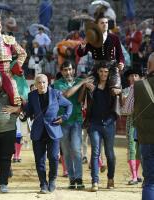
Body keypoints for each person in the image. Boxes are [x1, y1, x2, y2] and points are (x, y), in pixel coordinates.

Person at [23, 74, 72, 193]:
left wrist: (64, 118)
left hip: (53, 130)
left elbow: (69, 105)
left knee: (54, 158)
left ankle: (52, 181)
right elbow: (29, 111)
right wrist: (23, 112)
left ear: (48, 82)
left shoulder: (56, 93)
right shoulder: (32, 95)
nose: (41, 85)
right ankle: (43, 184)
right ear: (35, 84)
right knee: (39, 160)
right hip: (38, 132)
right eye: (39, 83)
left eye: (44, 82)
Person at [79, 61, 121, 192]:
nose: (103, 74)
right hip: (94, 123)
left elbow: (122, 101)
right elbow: (80, 100)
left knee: (110, 154)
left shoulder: (113, 86)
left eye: (106, 72)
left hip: (109, 123)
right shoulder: (92, 85)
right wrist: (84, 87)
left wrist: (118, 92)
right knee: (95, 152)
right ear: (97, 72)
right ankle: (95, 181)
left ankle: (110, 178)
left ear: (109, 73)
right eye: (101, 71)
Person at [53, 61, 93, 189]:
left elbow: (81, 98)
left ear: (74, 70)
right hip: (62, 120)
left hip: (76, 119)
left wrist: (87, 83)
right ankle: (71, 178)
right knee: (66, 151)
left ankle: (79, 178)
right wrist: (81, 83)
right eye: (65, 70)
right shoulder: (57, 84)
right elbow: (66, 95)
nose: (68, 72)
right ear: (62, 72)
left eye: (69, 69)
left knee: (76, 149)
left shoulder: (79, 81)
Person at [77, 13, 124, 95]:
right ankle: (88, 107)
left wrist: (121, 63)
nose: (105, 24)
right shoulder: (92, 37)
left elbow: (120, 54)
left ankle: (118, 107)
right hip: (97, 67)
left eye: (106, 22)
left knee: (115, 89)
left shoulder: (114, 37)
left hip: (112, 67)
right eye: (102, 23)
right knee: (88, 88)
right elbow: (81, 53)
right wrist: (83, 44)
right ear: (97, 25)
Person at [133, 52, 154, 200]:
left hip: (146, 140)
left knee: (150, 182)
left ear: (149, 66)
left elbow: (127, 110)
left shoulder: (139, 86)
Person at [121, 69, 142, 185]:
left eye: (136, 75)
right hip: (132, 121)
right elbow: (124, 109)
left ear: (139, 77)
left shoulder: (141, 89)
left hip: (141, 122)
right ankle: (134, 176)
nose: (133, 78)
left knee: (139, 149)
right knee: (132, 148)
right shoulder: (126, 91)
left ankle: (137, 174)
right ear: (128, 78)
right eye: (131, 76)